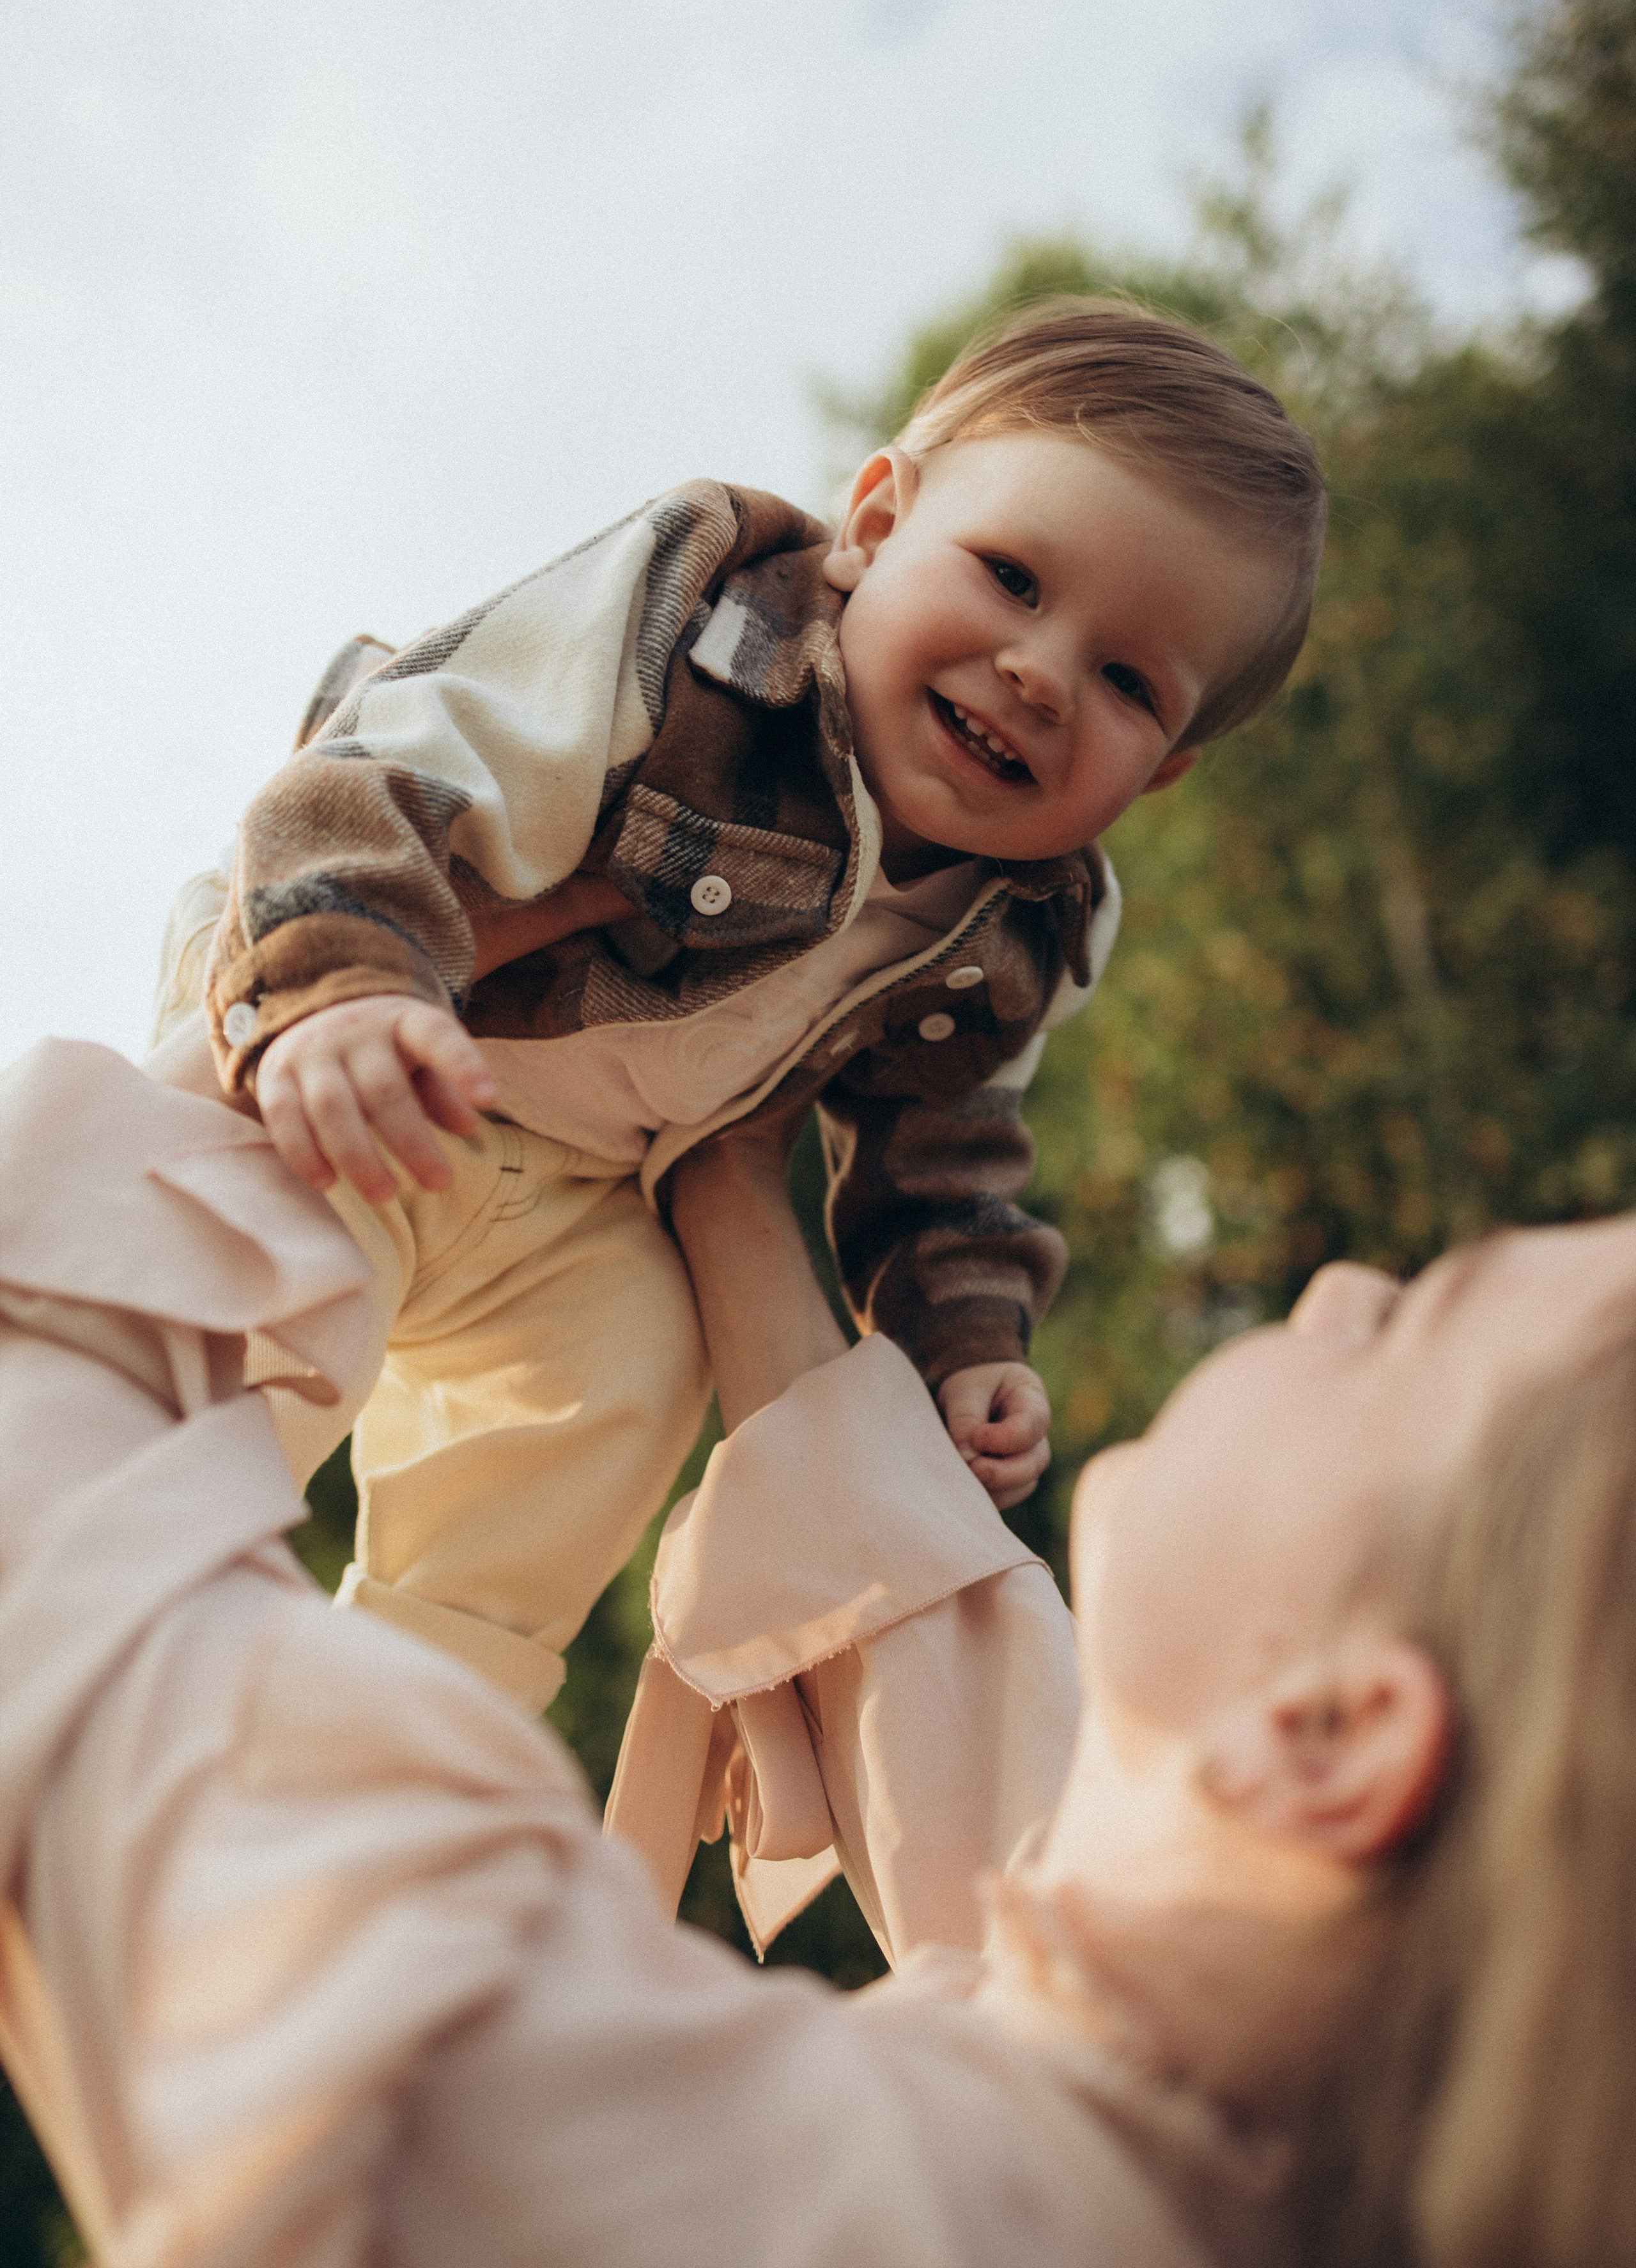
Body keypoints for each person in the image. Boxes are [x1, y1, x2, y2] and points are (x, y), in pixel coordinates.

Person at [5, 1044, 1634, 2268]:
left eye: (1413, 1315)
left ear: (1335, 1735)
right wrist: (730, 1165)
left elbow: (81, 1598)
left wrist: (259, 1071)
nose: (1344, 1281)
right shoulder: (1224, 2132)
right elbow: (931, 1643)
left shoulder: (753, 2210)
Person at [157, 297, 1325, 1710]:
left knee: (628, 1381)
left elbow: (942, 1157)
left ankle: (393, 1723)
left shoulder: (1029, 925)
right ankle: (129, 1572)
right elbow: (401, 758)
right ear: (878, 524)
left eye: (1127, 679)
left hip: (592, 1183)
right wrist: (338, 983)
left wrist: (965, 1349)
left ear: (1162, 773)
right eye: (1012, 577)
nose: (1038, 673)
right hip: (388, 998)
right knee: (267, 1262)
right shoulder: (701, 622)